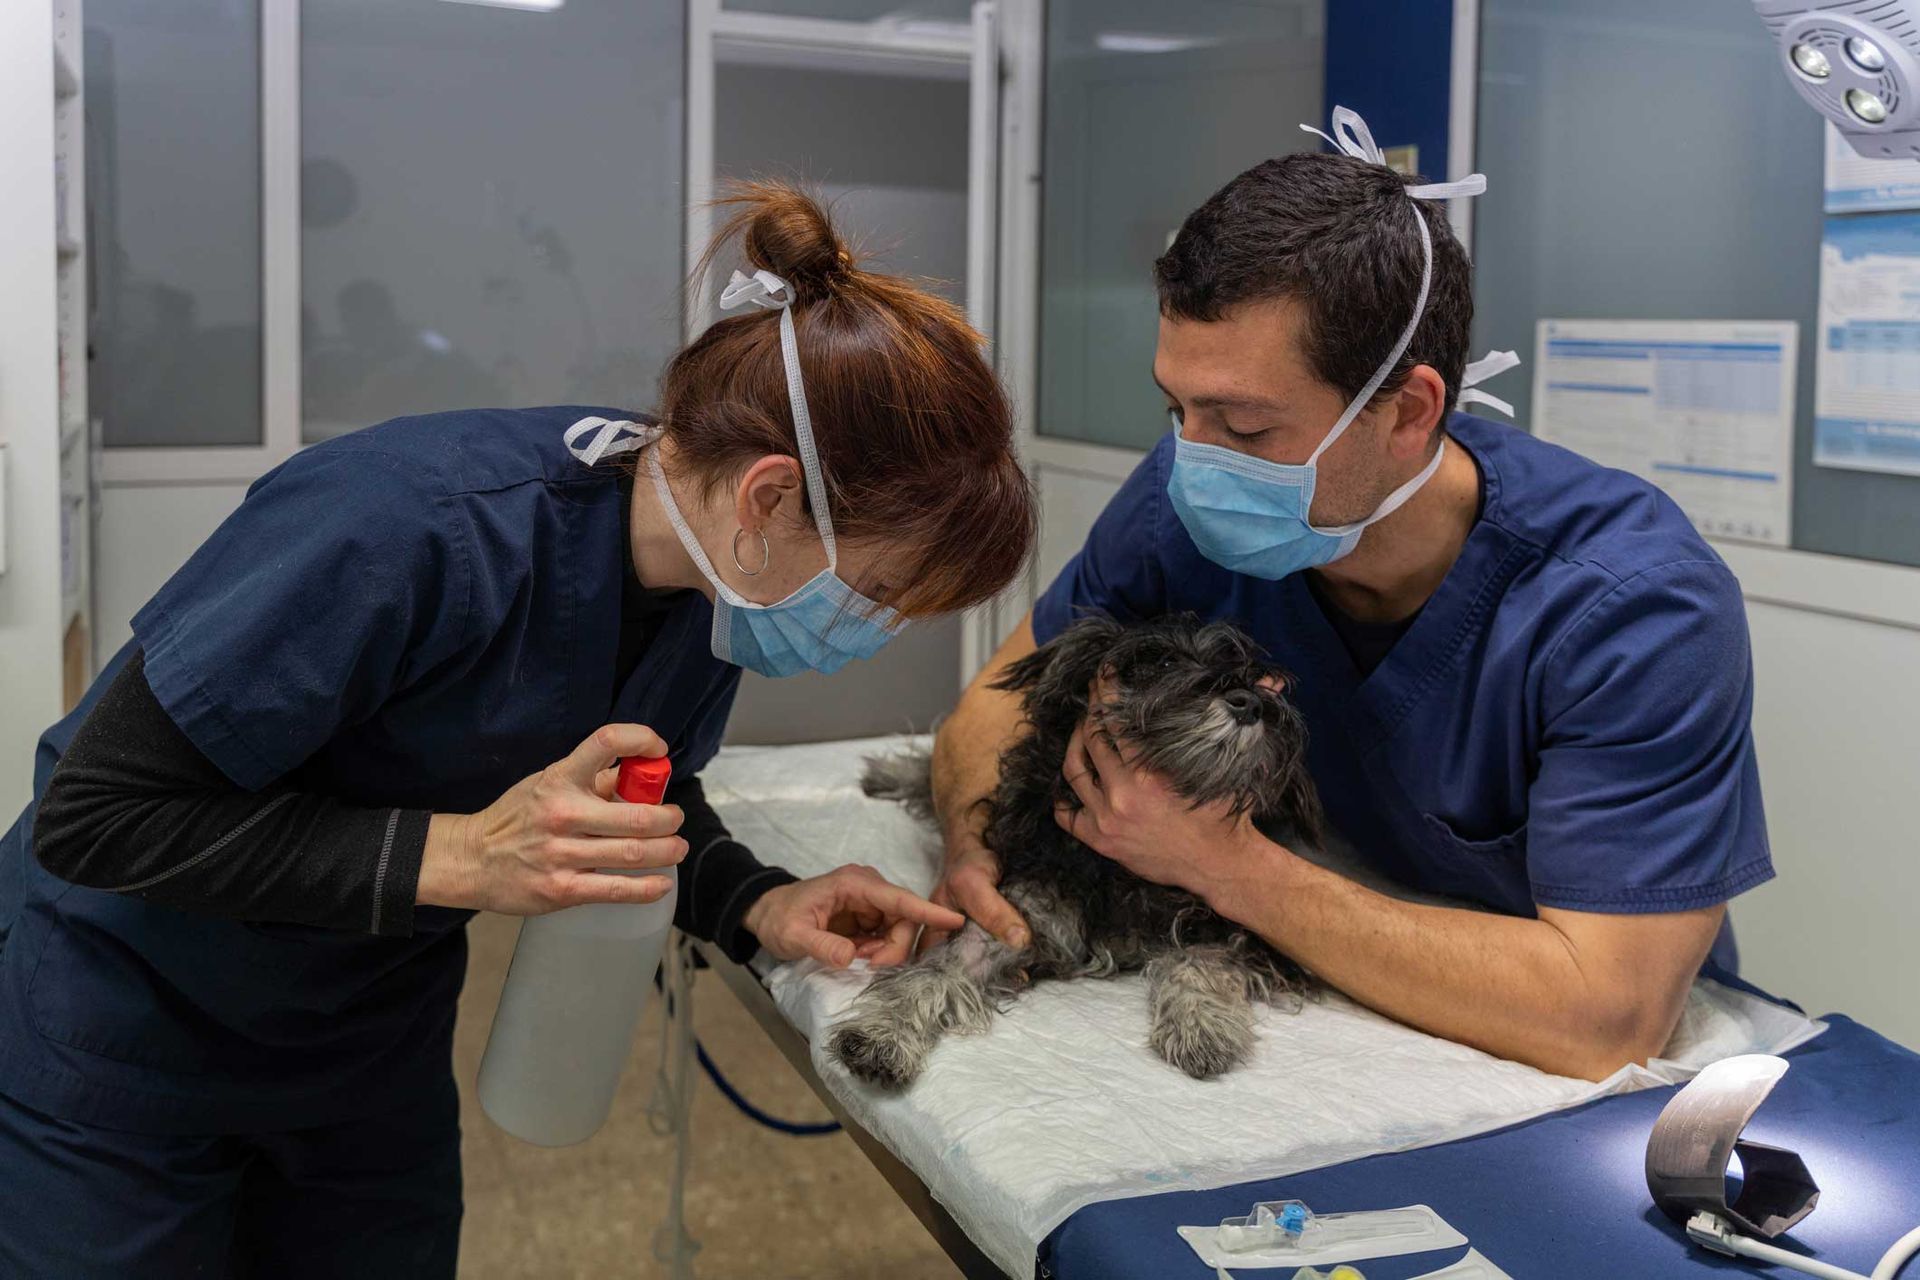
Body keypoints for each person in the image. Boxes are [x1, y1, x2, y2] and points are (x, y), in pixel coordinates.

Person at [0, 184, 1035, 1278]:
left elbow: (637, 791)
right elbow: (96, 814)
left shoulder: (708, 591)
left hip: (361, 1051)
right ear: (768, 499)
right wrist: (463, 853)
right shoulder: (403, 525)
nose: (868, 632)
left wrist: (751, 902)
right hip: (127, 1040)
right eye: (876, 591)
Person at [929, 110, 1773, 1084]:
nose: (1193, 459)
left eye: (1246, 428)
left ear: (1409, 412)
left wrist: (1221, 863)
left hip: (1558, 1085)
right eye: (1177, 408)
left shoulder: (1635, 609)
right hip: (1324, 1020)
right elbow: (997, 699)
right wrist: (977, 846)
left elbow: (1605, 1017)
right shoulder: (1178, 507)